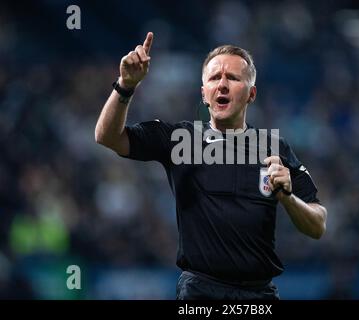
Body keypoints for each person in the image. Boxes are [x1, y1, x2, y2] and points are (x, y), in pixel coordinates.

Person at [95, 32, 327, 300]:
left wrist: (288, 199)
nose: (223, 85)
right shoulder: (179, 140)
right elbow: (107, 137)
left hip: (259, 295)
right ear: (204, 93)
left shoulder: (275, 148)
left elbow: (317, 225)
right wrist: (125, 85)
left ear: (251, 94)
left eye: (233, 78)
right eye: (215, 78)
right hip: (201, 292)